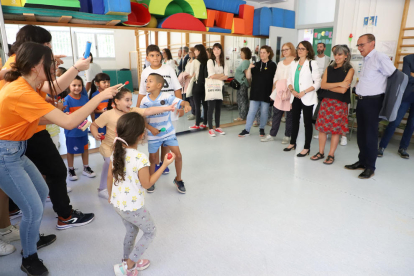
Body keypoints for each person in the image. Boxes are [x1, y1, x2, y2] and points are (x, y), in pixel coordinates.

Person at [0, 41, 120, 275]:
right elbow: (68, 123)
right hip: (5, 154)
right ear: (36, 67)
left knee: (41, 192)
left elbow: (40, 117)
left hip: (16, 149)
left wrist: (59, 113)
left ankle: (31, 238)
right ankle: (29, 257)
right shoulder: (21, 90)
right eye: (51, 63)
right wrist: (99, 98)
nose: (55, 67)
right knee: (34, 209)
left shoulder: (25, 85)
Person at [0, 25, 95, 236]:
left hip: (25, 128)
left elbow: (48, 90)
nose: (49, 48)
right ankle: (64, 216)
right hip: (20, 133)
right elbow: (56, 92)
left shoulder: (20, 65)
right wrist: (77, 70)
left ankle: (18, 214)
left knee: (40, 179)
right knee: (54, 172)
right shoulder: (18, 68)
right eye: (45, 45)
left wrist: (51, 69)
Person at [108, 112, 176, 276]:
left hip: (118, 204)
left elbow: (109, 177)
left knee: (131, 231)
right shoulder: (140, 158)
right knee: (150, 231)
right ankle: (129, 266)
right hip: (133, 207)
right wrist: (164, 164)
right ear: (141, 135)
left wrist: (111, 197)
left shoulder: (116, 152)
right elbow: (147, 184)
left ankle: (126, 260)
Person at [90, 88, 177, 199]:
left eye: (131, 99)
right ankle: (106, 189)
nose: (130, 103)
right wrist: (95, 133)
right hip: (109, 148)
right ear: (117, 101)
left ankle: (109, 188)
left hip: (125, 148)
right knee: (112, 168)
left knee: (110, 168)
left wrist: (167, 108)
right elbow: (94, 125)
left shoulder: (132, 111)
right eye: (127, 100)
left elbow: (149, 111)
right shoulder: (108, 114)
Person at [344, 34, 396, 179]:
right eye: (358, 45)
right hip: (362, 100)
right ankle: (362, 161)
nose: (359, 48)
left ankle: (370, 167)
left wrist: (388, 99)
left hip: (373, 101)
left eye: (362, 45)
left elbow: (393, 75)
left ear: (372, 43)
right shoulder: (366, 59)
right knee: (361, 134)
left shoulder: (380, 57)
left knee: (370, 135)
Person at [140, 73, 191, 193]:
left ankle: (178, 179)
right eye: (146, 81)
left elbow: (182, 102)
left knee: (178, 155)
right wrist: (150, 128)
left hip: (168, 132)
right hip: (153, 135)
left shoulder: (167, 97)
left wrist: (186, 105)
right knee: (153, 159)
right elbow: (141, 118)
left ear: (159, 85)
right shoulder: (144, 100)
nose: (147, 83)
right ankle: (151, 180)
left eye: (150, 81)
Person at [137, 44, 183, 176]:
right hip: (152, 111)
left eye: (157, 55)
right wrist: (138, 111)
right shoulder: (145, 72)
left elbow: (177, 88)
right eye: (152, 55)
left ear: (161, 56)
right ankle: (155, 163)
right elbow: (141, 92)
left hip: (170, 108)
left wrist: (180, 106)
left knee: (166, 137)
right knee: (155, 137)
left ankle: (164, 163)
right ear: (147, 58)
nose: (155, 58)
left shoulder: (169, 69)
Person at [311, 45, 354, 164]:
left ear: (346, 56)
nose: (337, 57)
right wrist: (340, 83)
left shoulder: (350, 69)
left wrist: (332, 87)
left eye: (340, 54)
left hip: (339, 104)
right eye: (335, 54)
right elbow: (323, 85)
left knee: (335, 131)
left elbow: (343, 90)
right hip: (326, 102)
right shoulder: (329, 68)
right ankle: (320, 152)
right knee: (322, 129)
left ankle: (331, 155)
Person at [284, 41, 321, 157]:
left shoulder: (312, 63)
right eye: (298, 48)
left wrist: (304, 92)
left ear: (308, 51)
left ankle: (306, 147)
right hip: (295, 97)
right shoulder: (294, 63)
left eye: (302, 49)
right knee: (294, 121)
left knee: (307, 123)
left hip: (307, 97)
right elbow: (289, 80)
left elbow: (318, 83)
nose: (300, 50)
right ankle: (292, 143)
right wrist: (292, 90)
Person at [378, 53, 414, 159]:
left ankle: (403, 148)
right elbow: (407, 77)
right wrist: (410, 75)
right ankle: (382, 147)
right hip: (406, 97)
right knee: (394, 122)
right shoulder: (408, 58)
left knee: (411, 125)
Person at [238, 45, 277, 138]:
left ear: (268, 53)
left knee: (264, 112)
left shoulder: (272, 65)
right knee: (251, 111)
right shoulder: (256, 64)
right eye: (261, 52)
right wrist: (249, 68)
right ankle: (247, 129)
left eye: (264, 52)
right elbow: (248, 77)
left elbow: (275, 79)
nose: (262, 54)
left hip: (266, 92)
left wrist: (273, 92)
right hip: (255, 92)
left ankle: (262, 128)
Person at [261, 42, 296, 143]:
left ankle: (287, 135)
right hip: (279, 91)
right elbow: (276, 77)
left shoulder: (296, 62)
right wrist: (275, 87)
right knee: (276, 114)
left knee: (289, 115)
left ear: (291, 50)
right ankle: (272, 134)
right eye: (283, 50)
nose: (284, 52)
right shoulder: (280, 63)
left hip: (290, 92)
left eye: (286, 49)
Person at [64, 76, 96, 181]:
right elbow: (66, 115)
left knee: (85, 149)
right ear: (69, 86)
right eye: (74, 85)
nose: (77, 88)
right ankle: (71, 169)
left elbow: (89, 111)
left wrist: (92, 123)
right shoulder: (67, 99)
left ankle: (86, 167)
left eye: (79, 85)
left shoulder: (85, 99)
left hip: (83, 130)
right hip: (71, 132)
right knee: (70, 151)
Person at [206, 43, 229, 137]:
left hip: (221, 87)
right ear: (212, 51)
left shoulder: (224, 62)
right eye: (214, 49)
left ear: (221, 50)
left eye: (218, 49)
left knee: (219, 108)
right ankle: (210, 128)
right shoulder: (210, 61)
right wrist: (221, 75)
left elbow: (226, 76)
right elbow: (211, 75)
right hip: (212, 87)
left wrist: (217, 76)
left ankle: (218, 126)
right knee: (210, 108)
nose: (216, 51)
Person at [313, 43, 331, 141]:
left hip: (323, 85)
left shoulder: (328, 59)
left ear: (324, 48)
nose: (319, 48)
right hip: (313, 84)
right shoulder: (313, 59)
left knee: (321, 105)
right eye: (318, 47)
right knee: (313, 104)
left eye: (321, 47)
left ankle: (321, 128)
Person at [189, 44, 209, 129]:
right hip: (206, 85)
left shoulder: (195, 61)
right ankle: (204, 123)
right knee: (205, 105)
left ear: (199, 51)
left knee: (197, 106)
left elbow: (190, 73)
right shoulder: (208, 61)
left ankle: (197, 124)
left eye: (195, 50)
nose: (194, 52)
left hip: (197, 85)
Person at [233, 47, 252, 121]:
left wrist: (249, 83)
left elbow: (247, 74)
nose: (240, 54)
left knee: (242, 100)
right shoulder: (245, 62)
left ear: (245, 54)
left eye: (241, 52)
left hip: (242, 84)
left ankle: (242, 116)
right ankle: (243, 115)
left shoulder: (245, 62)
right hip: (242, 84)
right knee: (242, 99)